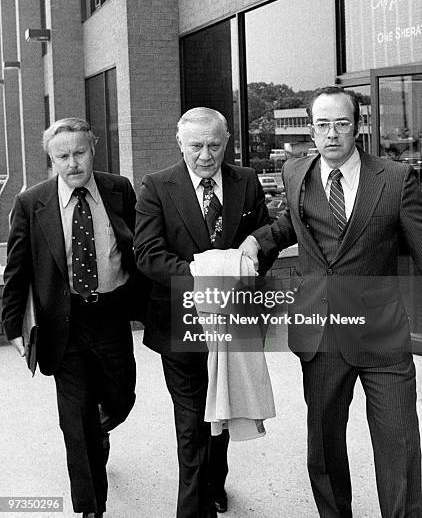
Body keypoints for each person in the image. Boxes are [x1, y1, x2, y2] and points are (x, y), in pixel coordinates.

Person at [241, 86, 422, 517]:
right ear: (311, 129)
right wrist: (255, 240)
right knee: (323, 450)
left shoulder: (397, 179)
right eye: (322, 125)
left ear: (357, 127)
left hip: (380, 333)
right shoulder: (294, 172)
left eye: (341, 123)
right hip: (319, 333)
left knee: (400, 447)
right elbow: (291, 222)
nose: (332, 134)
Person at [2, 118, 143, 518]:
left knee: (121, 398)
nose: (72, 163)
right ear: (51, 159)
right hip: (63, 324)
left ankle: (102, 427)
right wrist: (12, 326)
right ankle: (91, 506)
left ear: (93, 148)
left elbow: (138, 249)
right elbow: (17, 269)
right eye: (62, 156)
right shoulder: (32, 203)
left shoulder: (119, 190)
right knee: (74, 421)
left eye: (79, 153)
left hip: (112, 315)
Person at [134, 107, 270, 517]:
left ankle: (215, 482)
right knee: (192, 423)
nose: (206, 155)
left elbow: (262, 237)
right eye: (196, 145)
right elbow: (147, 254)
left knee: (223, 413)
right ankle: (192, 509)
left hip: (234, 319)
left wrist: (251, 257)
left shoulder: (246, 181)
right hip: (182, 321)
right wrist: (208, 273)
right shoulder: (157, 186)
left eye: (214, 144)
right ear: (180, 143)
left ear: (226, 142)